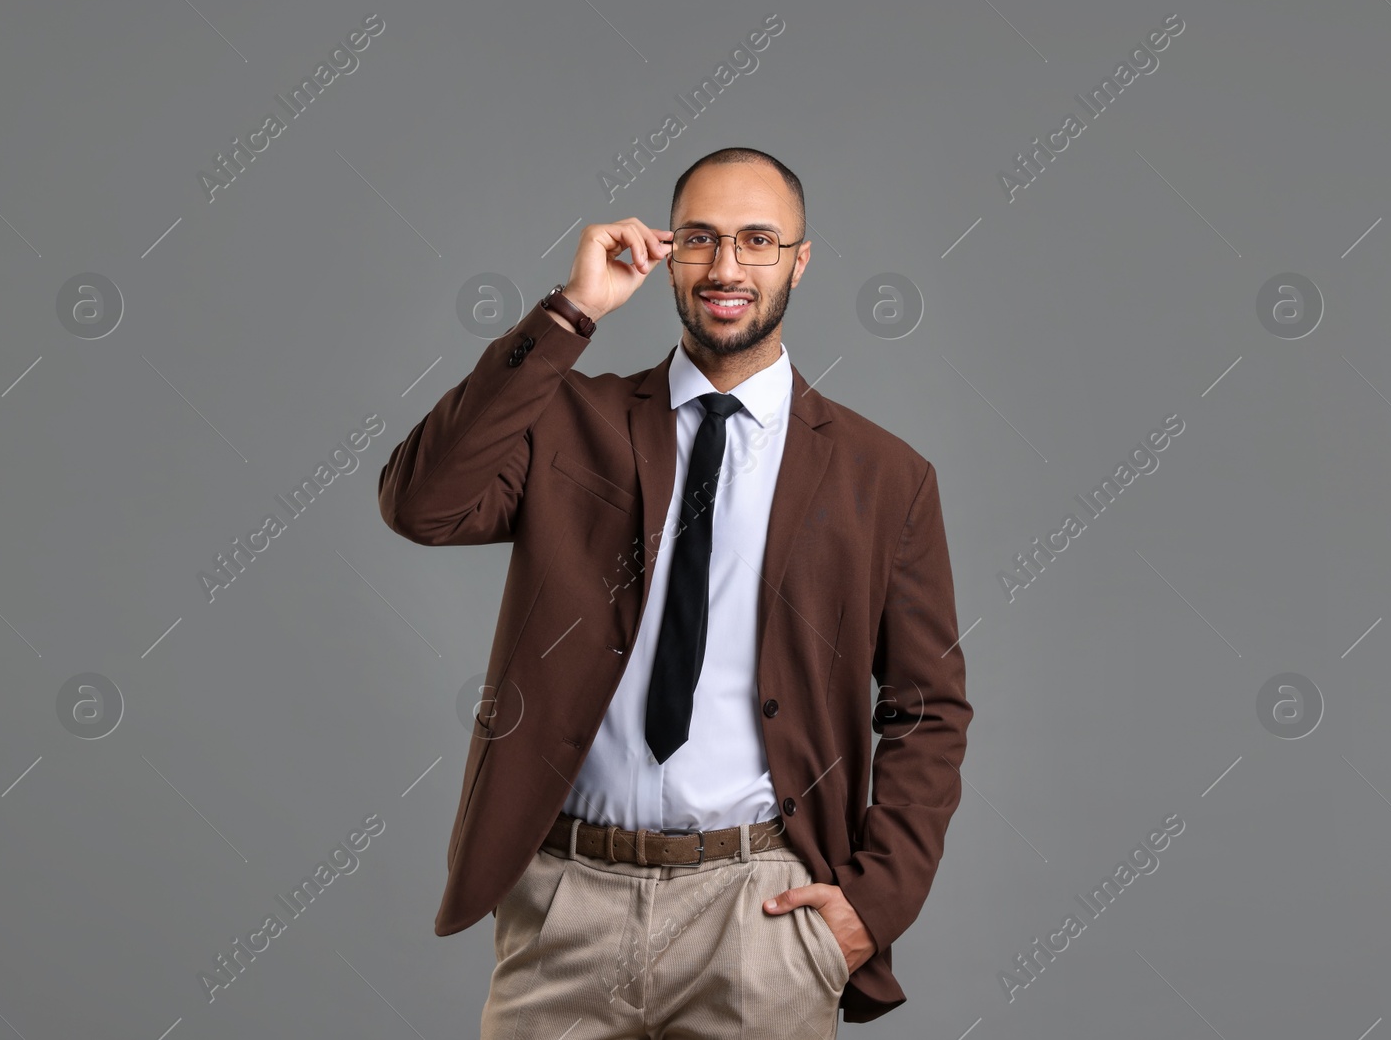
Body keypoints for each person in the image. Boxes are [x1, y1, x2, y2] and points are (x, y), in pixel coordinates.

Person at [377, 147, 972, 1037]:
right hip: (564, 901)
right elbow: (422, 503)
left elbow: (929, 707)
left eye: (757, 241)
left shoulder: (883, 475)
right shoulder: (570, 420)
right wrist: (571, 311)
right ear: (666, 252)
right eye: (700, 238)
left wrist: (870, 904)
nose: (726, 267)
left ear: (799, 261)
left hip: (762, 918)